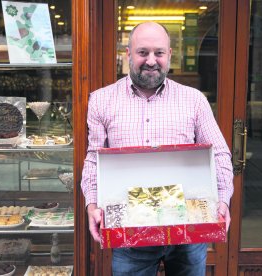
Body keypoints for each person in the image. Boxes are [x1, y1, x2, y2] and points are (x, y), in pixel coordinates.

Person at [81, 21, 234, 276]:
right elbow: (94, 160)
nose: (151, 60)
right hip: (128, 230)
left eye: (159, 53)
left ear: (170, 55)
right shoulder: (101, 100)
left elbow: (219, 154)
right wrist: (92, 205)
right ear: (128, 53)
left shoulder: (194, 100)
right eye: (142, 52)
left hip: (188, 229)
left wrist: (223, 199)